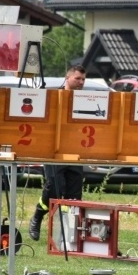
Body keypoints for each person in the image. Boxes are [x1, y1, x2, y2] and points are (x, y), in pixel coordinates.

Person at [28, 65, 87, 241]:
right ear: (67, 78)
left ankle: (68, 236)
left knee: (74, 196)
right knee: (54, 188)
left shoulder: (87, 100)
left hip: (76, 152)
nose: (81, 82)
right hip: (54, 152)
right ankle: (37, 216)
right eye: (77, 79)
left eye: (83, 79)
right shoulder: (53, 97)